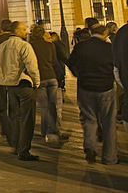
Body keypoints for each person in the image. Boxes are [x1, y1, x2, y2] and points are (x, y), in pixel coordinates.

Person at [67, 24, 119, 164]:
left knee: (89, 119)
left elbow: (70, 62)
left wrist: (78, 74)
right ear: (105, 34)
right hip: (106, 87)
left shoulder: (81, 47)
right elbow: (116, 66)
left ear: (91, 32)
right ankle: (110, 157)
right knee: (108, 122)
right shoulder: (109, 48)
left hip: (86, 87)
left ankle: (90, 146)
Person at [0, 20, 41, 161]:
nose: (26, 31)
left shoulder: (2, 46)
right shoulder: (24, 46)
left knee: (14, 117)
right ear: (17, 31)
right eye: (24, 29)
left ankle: (15, 145)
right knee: (27, 119)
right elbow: (32, 66)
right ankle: (24, 150)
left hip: (10, 86)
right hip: (24, 84)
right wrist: (36, 82)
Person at [29, 24, 61, 146]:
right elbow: (53, 61)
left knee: (44, 107)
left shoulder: (31, 46)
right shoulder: (50, 45)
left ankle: (45, 131)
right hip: (51, 77)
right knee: (53, 105)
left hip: (40, 79)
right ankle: (53, 130)